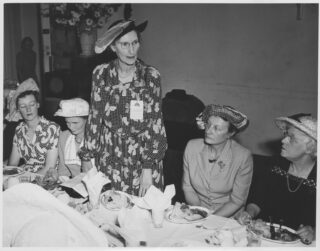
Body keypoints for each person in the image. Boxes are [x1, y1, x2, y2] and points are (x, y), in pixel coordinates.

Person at [79, 19, 167, 197]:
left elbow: (155, 123)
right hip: (110, 156)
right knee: (110, 212)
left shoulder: (150, 76)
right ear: (113, 47)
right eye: (124, 44)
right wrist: (87, 156)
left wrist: (148, 168)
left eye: (135, 43)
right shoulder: (101, 74)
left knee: (143, 214)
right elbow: (95, 116)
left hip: (142, 159)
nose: (131, 50)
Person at [238, 113, 316, 244]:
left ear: (310, 147)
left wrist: (314, 231)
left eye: (291, 138)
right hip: (263, 237)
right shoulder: (274, 164)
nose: (283, 140)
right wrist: (249, 213)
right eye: (285, 135)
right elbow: (258, 198)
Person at [182, 104, 253, 217]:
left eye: (217, 128)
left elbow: (237, 200)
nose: (208, 131)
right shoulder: (192, 147)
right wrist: (199, 213)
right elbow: (188, 188)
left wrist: (211, 220)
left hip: (228, 216)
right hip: (197, 211)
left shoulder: (243, 156)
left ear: (230, 133)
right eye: (208, 125)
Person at [7, 79, 60, 175]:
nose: (28, 109)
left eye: (31, 104)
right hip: (24, 177)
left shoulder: (52, 128)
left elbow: (49, 167)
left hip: (47, 179)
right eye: (23, 106)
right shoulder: (19, 130)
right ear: (18, 110)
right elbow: (13, 164)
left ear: (37, 105)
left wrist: (26, 180)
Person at [54, 98, 89, 178]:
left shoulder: (95, 140)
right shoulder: (64, 137)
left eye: (75, 123)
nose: (71, 127)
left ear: (87, 120)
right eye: (67, 122)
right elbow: (63, 171)